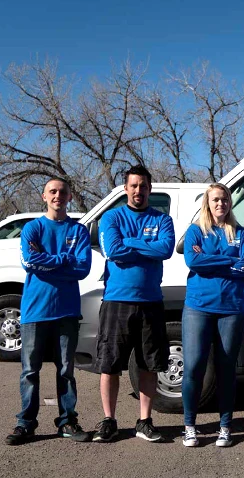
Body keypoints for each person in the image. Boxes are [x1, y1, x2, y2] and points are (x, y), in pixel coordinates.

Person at [5, 178, 92, 445]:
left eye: (62, 192)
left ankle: (67, 422)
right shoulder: (32, 228)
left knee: (66, 370)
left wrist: (52, 261)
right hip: (35, 311)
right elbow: (30, 262)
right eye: (52, 191)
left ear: (69, 197)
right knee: (30, 371)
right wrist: (65, 258)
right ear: (44, 196)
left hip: (66, 312)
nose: (58, 195)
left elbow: (83, 268)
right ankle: (26, 424)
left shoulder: (78, 231)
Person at [92, 165, 175, 443]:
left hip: (151, 301)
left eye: (144, 186)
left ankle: (144, 421)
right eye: (134, 186)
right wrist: (145, 245)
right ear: (126, 188)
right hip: (117, 300)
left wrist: (131, 243)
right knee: (110, 365)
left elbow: (165, 249)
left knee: (148, 365)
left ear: (150, 189)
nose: (139, 191)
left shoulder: (162, 219)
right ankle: (109, 421)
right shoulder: (111, 217)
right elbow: (112, 250)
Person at [181, 183, 244, 447]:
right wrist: (228, 260)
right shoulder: (195, 231)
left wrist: (211, 259)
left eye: (224, 199)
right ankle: (190, 426)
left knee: (226, 370)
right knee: (194, 367)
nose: (220, 204)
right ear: (207, 204)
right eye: (215, 200)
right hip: (198, 307)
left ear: (229, 203)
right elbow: (193, 261)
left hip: (232, 308)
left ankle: (225, 426)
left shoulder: (241, 232)